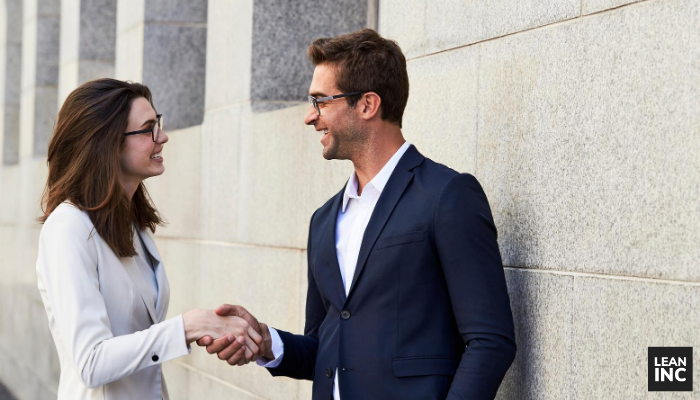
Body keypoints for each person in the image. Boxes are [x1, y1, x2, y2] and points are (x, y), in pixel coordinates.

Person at [202, 29, 516, 399]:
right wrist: (268, 342)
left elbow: (490, 341)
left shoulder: (447, 196)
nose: (309, 117)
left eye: (321, 101)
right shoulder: (323, 220)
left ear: (367, 105)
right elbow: (327, 350)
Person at [36, 78, 263, 400]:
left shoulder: (132, 224)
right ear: (106, 142)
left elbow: (142, 340)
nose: (163, 137)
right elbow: (90, 362)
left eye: (158, 124)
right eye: (147, 129)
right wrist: (187, 327)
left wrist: (208, 328)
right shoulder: (68, 228)